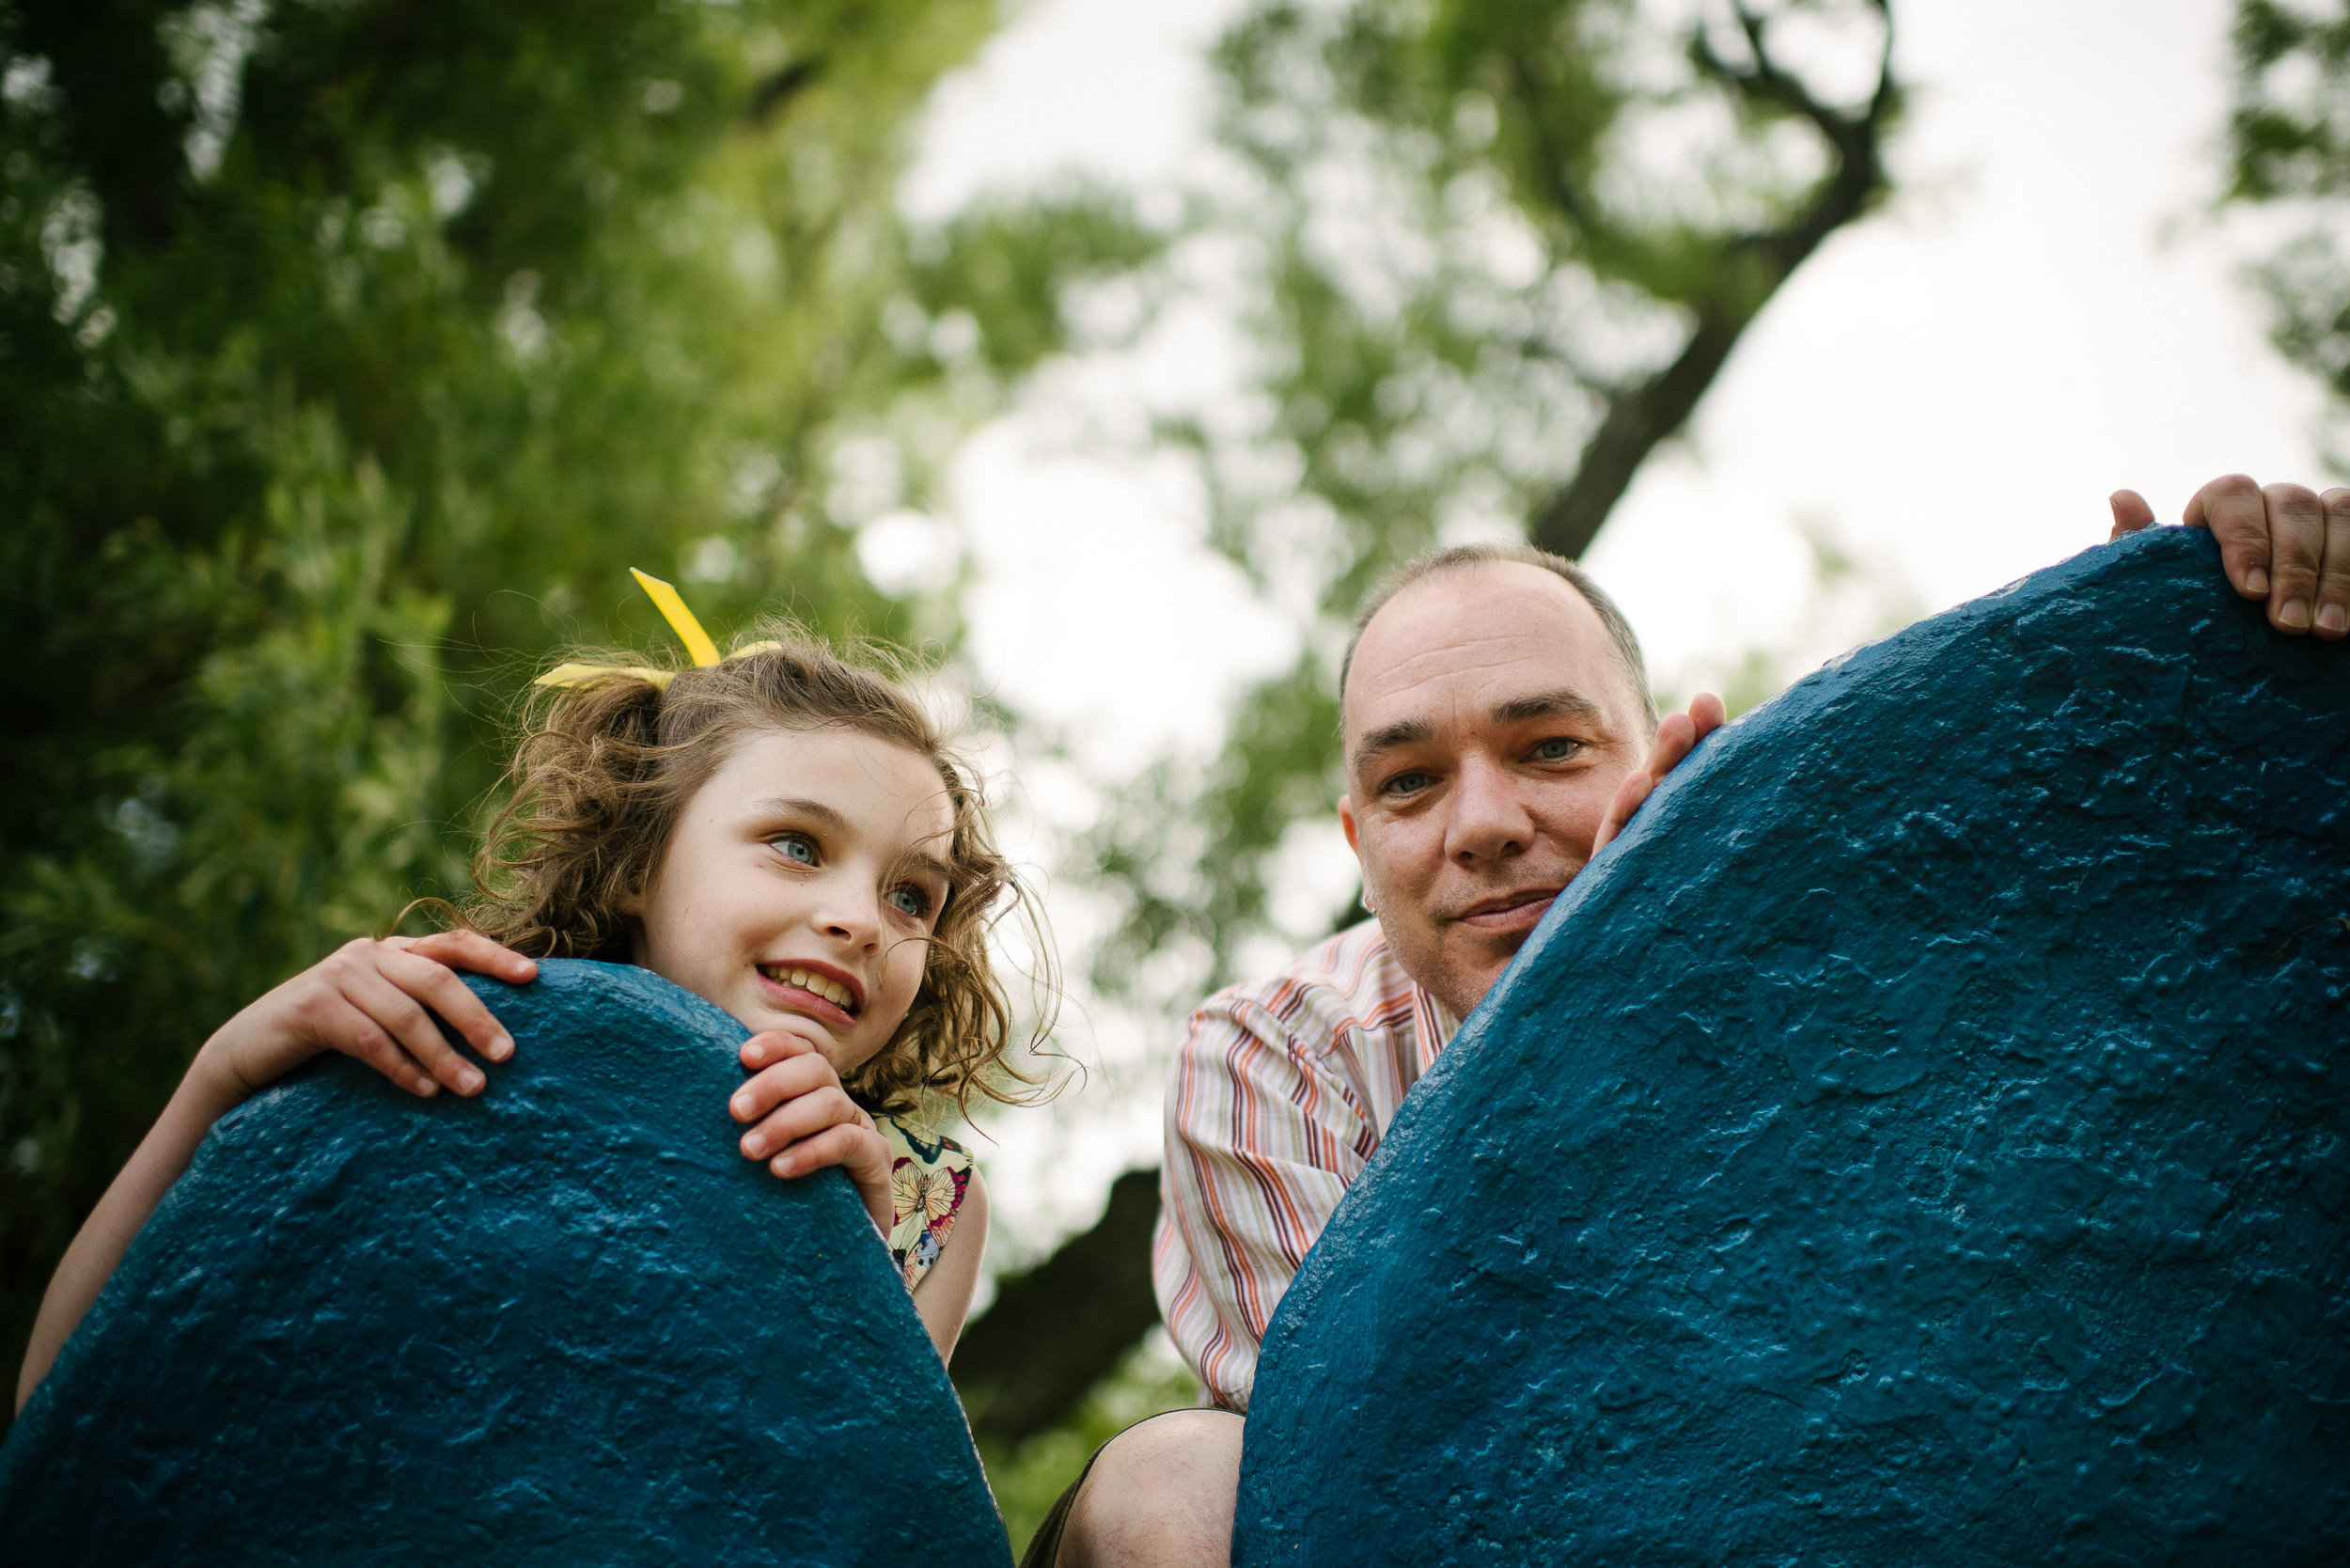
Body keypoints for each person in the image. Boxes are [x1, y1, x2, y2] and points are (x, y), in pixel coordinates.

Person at [1032, 475, 2349, 1568]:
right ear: (1358, 841)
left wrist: (2160, 675)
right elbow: (1395, 1443)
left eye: (1550, 749)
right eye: (1411, 781)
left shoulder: (1839, 964)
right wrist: (1582, 1030)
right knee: (1177, 1482)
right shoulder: (1270, 1052)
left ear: (1668, 765)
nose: (1483, 825)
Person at [15, 576, 1046, 1411]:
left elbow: (865, 1517)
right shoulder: (438, 1043)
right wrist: (222, 1074)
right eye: (795, 845)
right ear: (641, 859)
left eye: (912, 894)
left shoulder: (925, 1208)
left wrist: (843, 1251)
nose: (861, 919)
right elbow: (64, 1403)